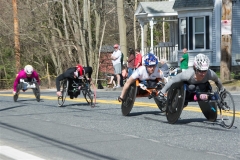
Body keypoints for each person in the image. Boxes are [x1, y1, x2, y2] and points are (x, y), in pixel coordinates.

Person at [158, 54, 225, 105]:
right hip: (188, 89)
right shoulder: (187, 74)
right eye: (200, 71)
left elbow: (217, 80)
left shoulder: (210, 73)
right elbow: (173, 80)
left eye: (205, 71)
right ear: (195, 68)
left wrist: (222, 89)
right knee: (191, 87)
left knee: (207, 87)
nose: (203, 74)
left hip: (202, 88)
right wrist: (162, 92)